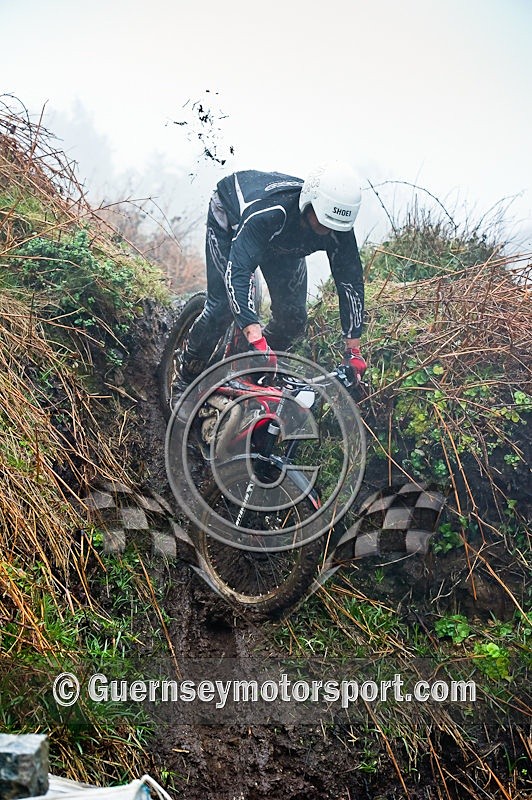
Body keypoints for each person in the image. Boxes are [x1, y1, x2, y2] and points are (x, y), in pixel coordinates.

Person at [173, 160, 367, 396]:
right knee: (222, 306)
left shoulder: (338, 226)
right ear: (309, 203)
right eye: (322, 221)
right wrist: (254, 335)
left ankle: (251, 369)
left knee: (293, 320)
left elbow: (350, 283)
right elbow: (238, 273)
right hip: (233, 220)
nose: (327, 230)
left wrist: (353, 351)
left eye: (334, 226)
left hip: (283, 246)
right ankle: (184, 379)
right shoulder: (271, 213)